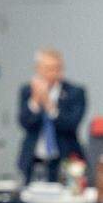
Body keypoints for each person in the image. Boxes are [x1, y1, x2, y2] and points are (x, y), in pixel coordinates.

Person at [16, 48, 86, 182]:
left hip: (63, 160)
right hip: (33, 160)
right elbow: (24, 123)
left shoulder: (75, 92)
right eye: (47, 68)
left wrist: (49, 104)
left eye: (57, 68)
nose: (53, 72)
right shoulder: (27, 91)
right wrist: (35, 101)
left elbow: (71, 124)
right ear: (38, 69)